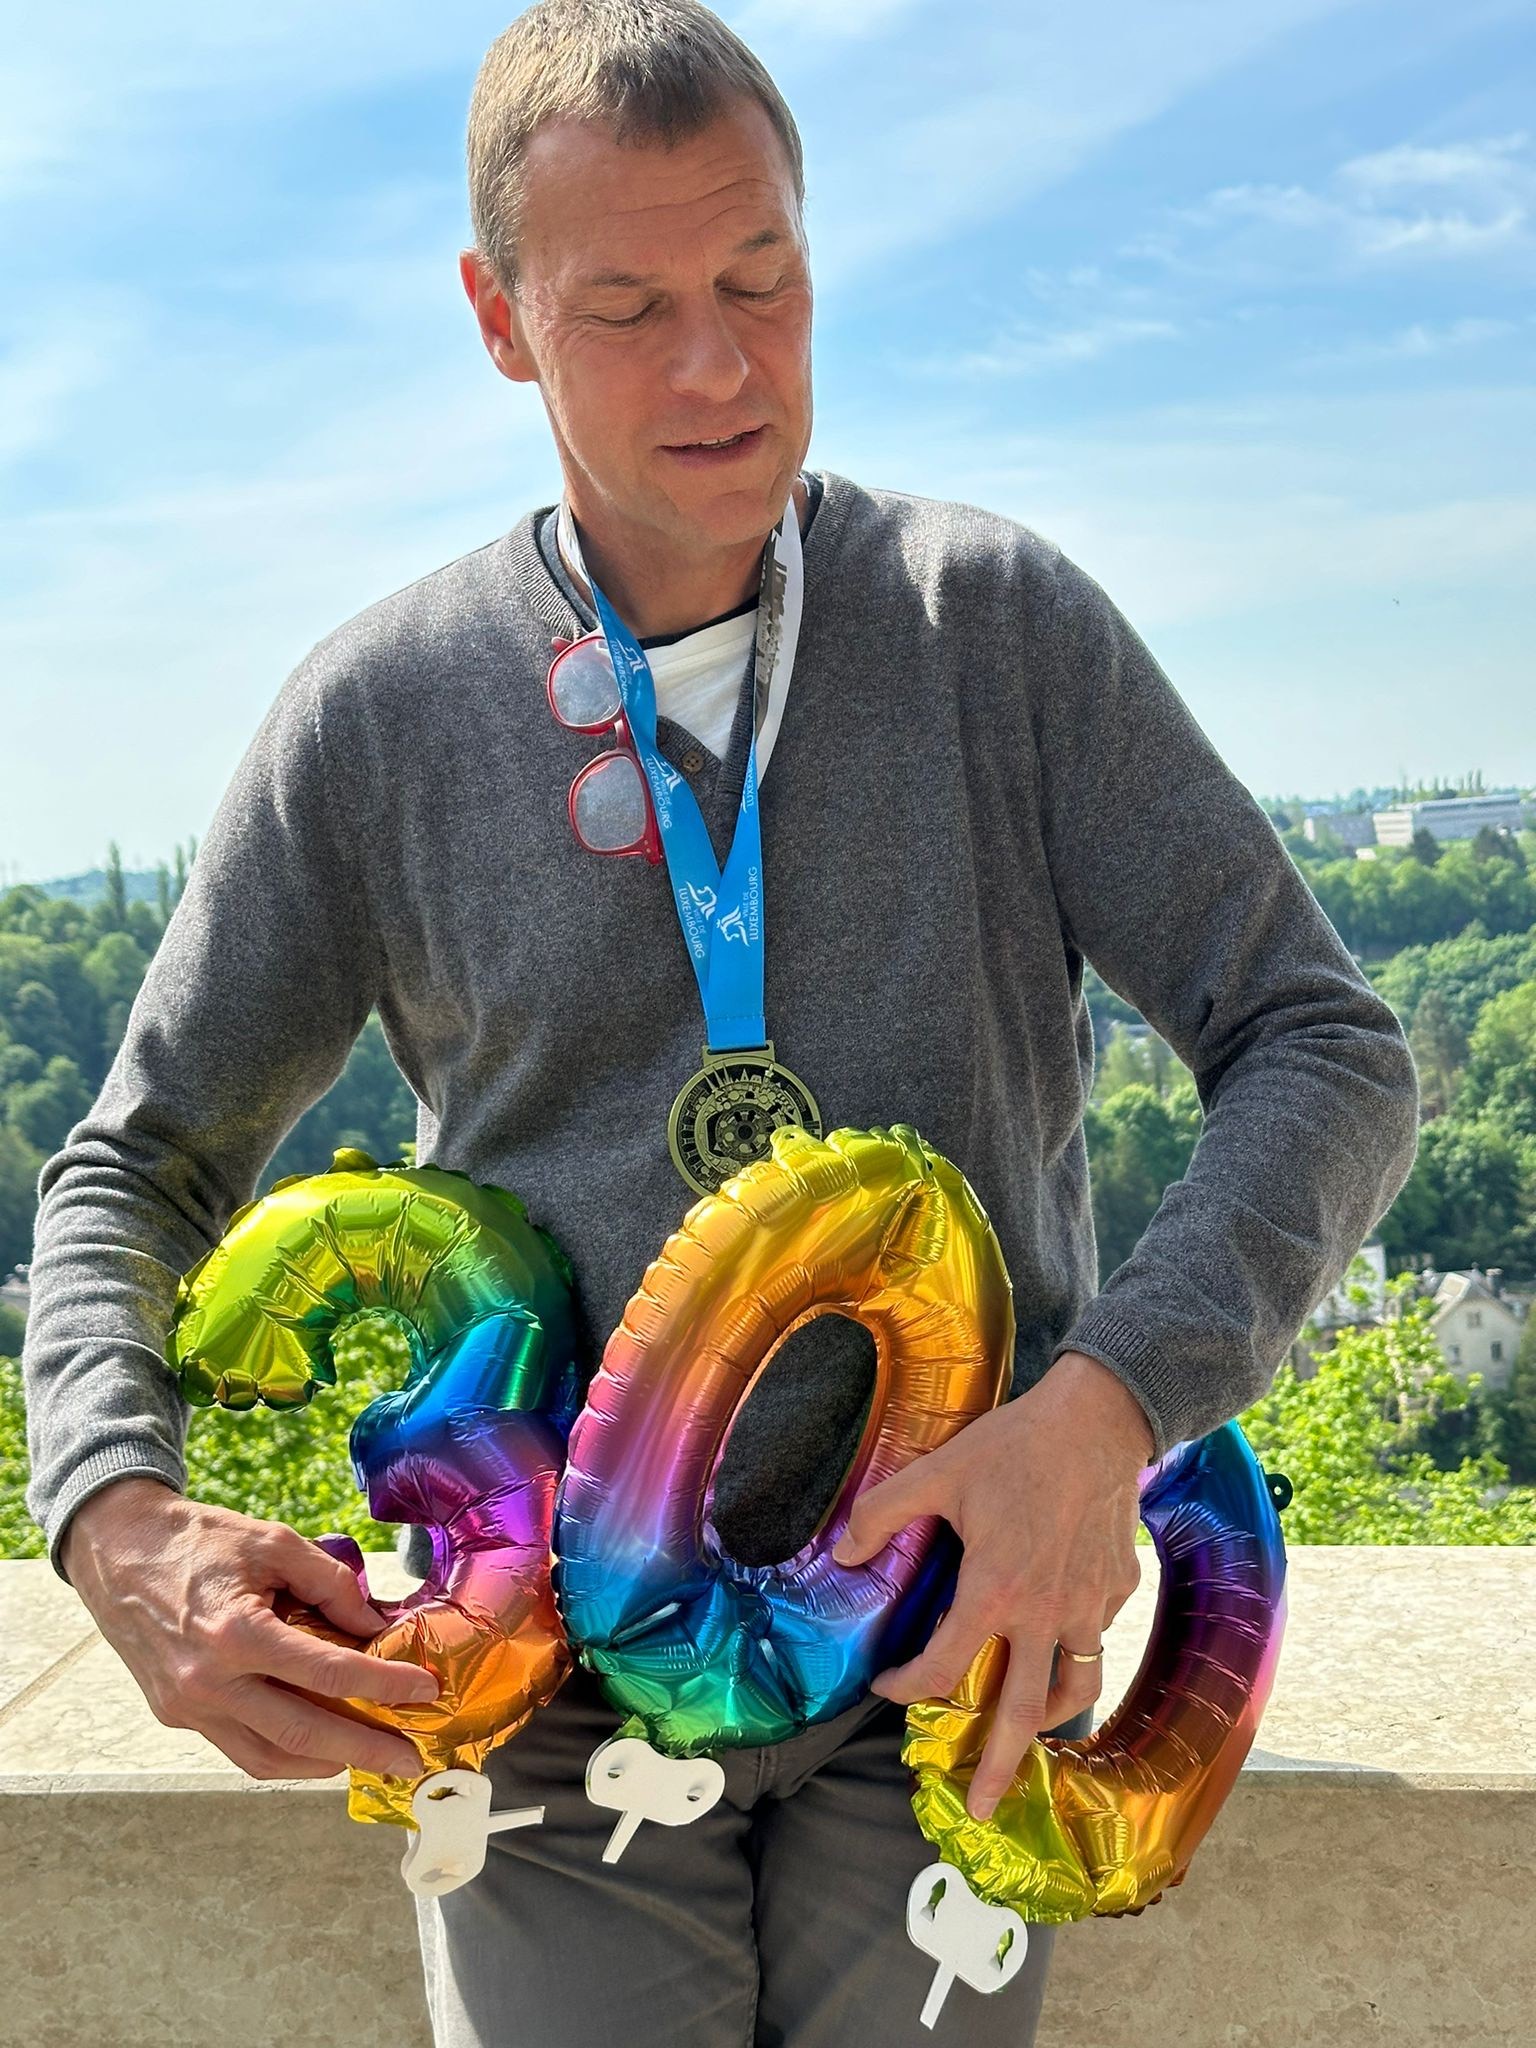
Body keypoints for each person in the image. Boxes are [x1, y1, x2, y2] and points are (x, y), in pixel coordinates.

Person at [19, 2, 1421, 2043]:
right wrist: (113, 1511)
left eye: (762, 280)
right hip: (541, 1691)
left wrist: (1106, 1413)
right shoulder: (379, 717)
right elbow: (135, 1167)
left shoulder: (994, 628)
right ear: (499, 319)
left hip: (949, 1651)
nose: (720, 364)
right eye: (630, 307)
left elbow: (1326, 1046)